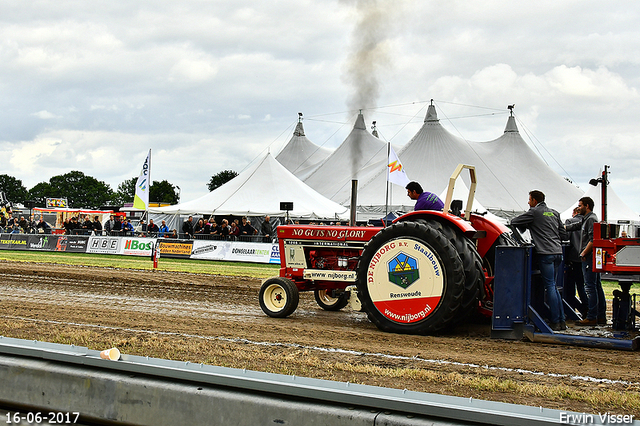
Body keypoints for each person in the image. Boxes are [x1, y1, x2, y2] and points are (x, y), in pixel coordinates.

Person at [511, 190, 568, 331]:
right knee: (554, 286)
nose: (528, 203)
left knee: (549, 287)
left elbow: (514, 222)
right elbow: (563, 234)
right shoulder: (554, 213)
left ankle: (555, 321)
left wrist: (521, 239)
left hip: (545, 254)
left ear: (535, 201)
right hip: (558, 253)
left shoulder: (534, 212)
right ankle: (561, 321)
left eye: (529, 200)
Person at [566, 196, 606, 326]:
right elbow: (575, 226)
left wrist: (583, 252)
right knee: (596, 286)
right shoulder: (586, 219)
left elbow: (593, 240)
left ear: (587, 206)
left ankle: (592, 316)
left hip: (588, 257)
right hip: (589, 257)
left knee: (590, 287)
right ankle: (600, 315)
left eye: (580, 205)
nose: (578, 208)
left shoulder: (591, 219)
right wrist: (562, 227)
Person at [564, 207, 588, 317]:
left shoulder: (570, 221)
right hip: (584, 257)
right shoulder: (588, 221)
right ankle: (587, 310)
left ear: (574, 213)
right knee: (582, 286)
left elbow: (565, 238)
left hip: (573, 257)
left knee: (570, 288)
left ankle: (573, 309)